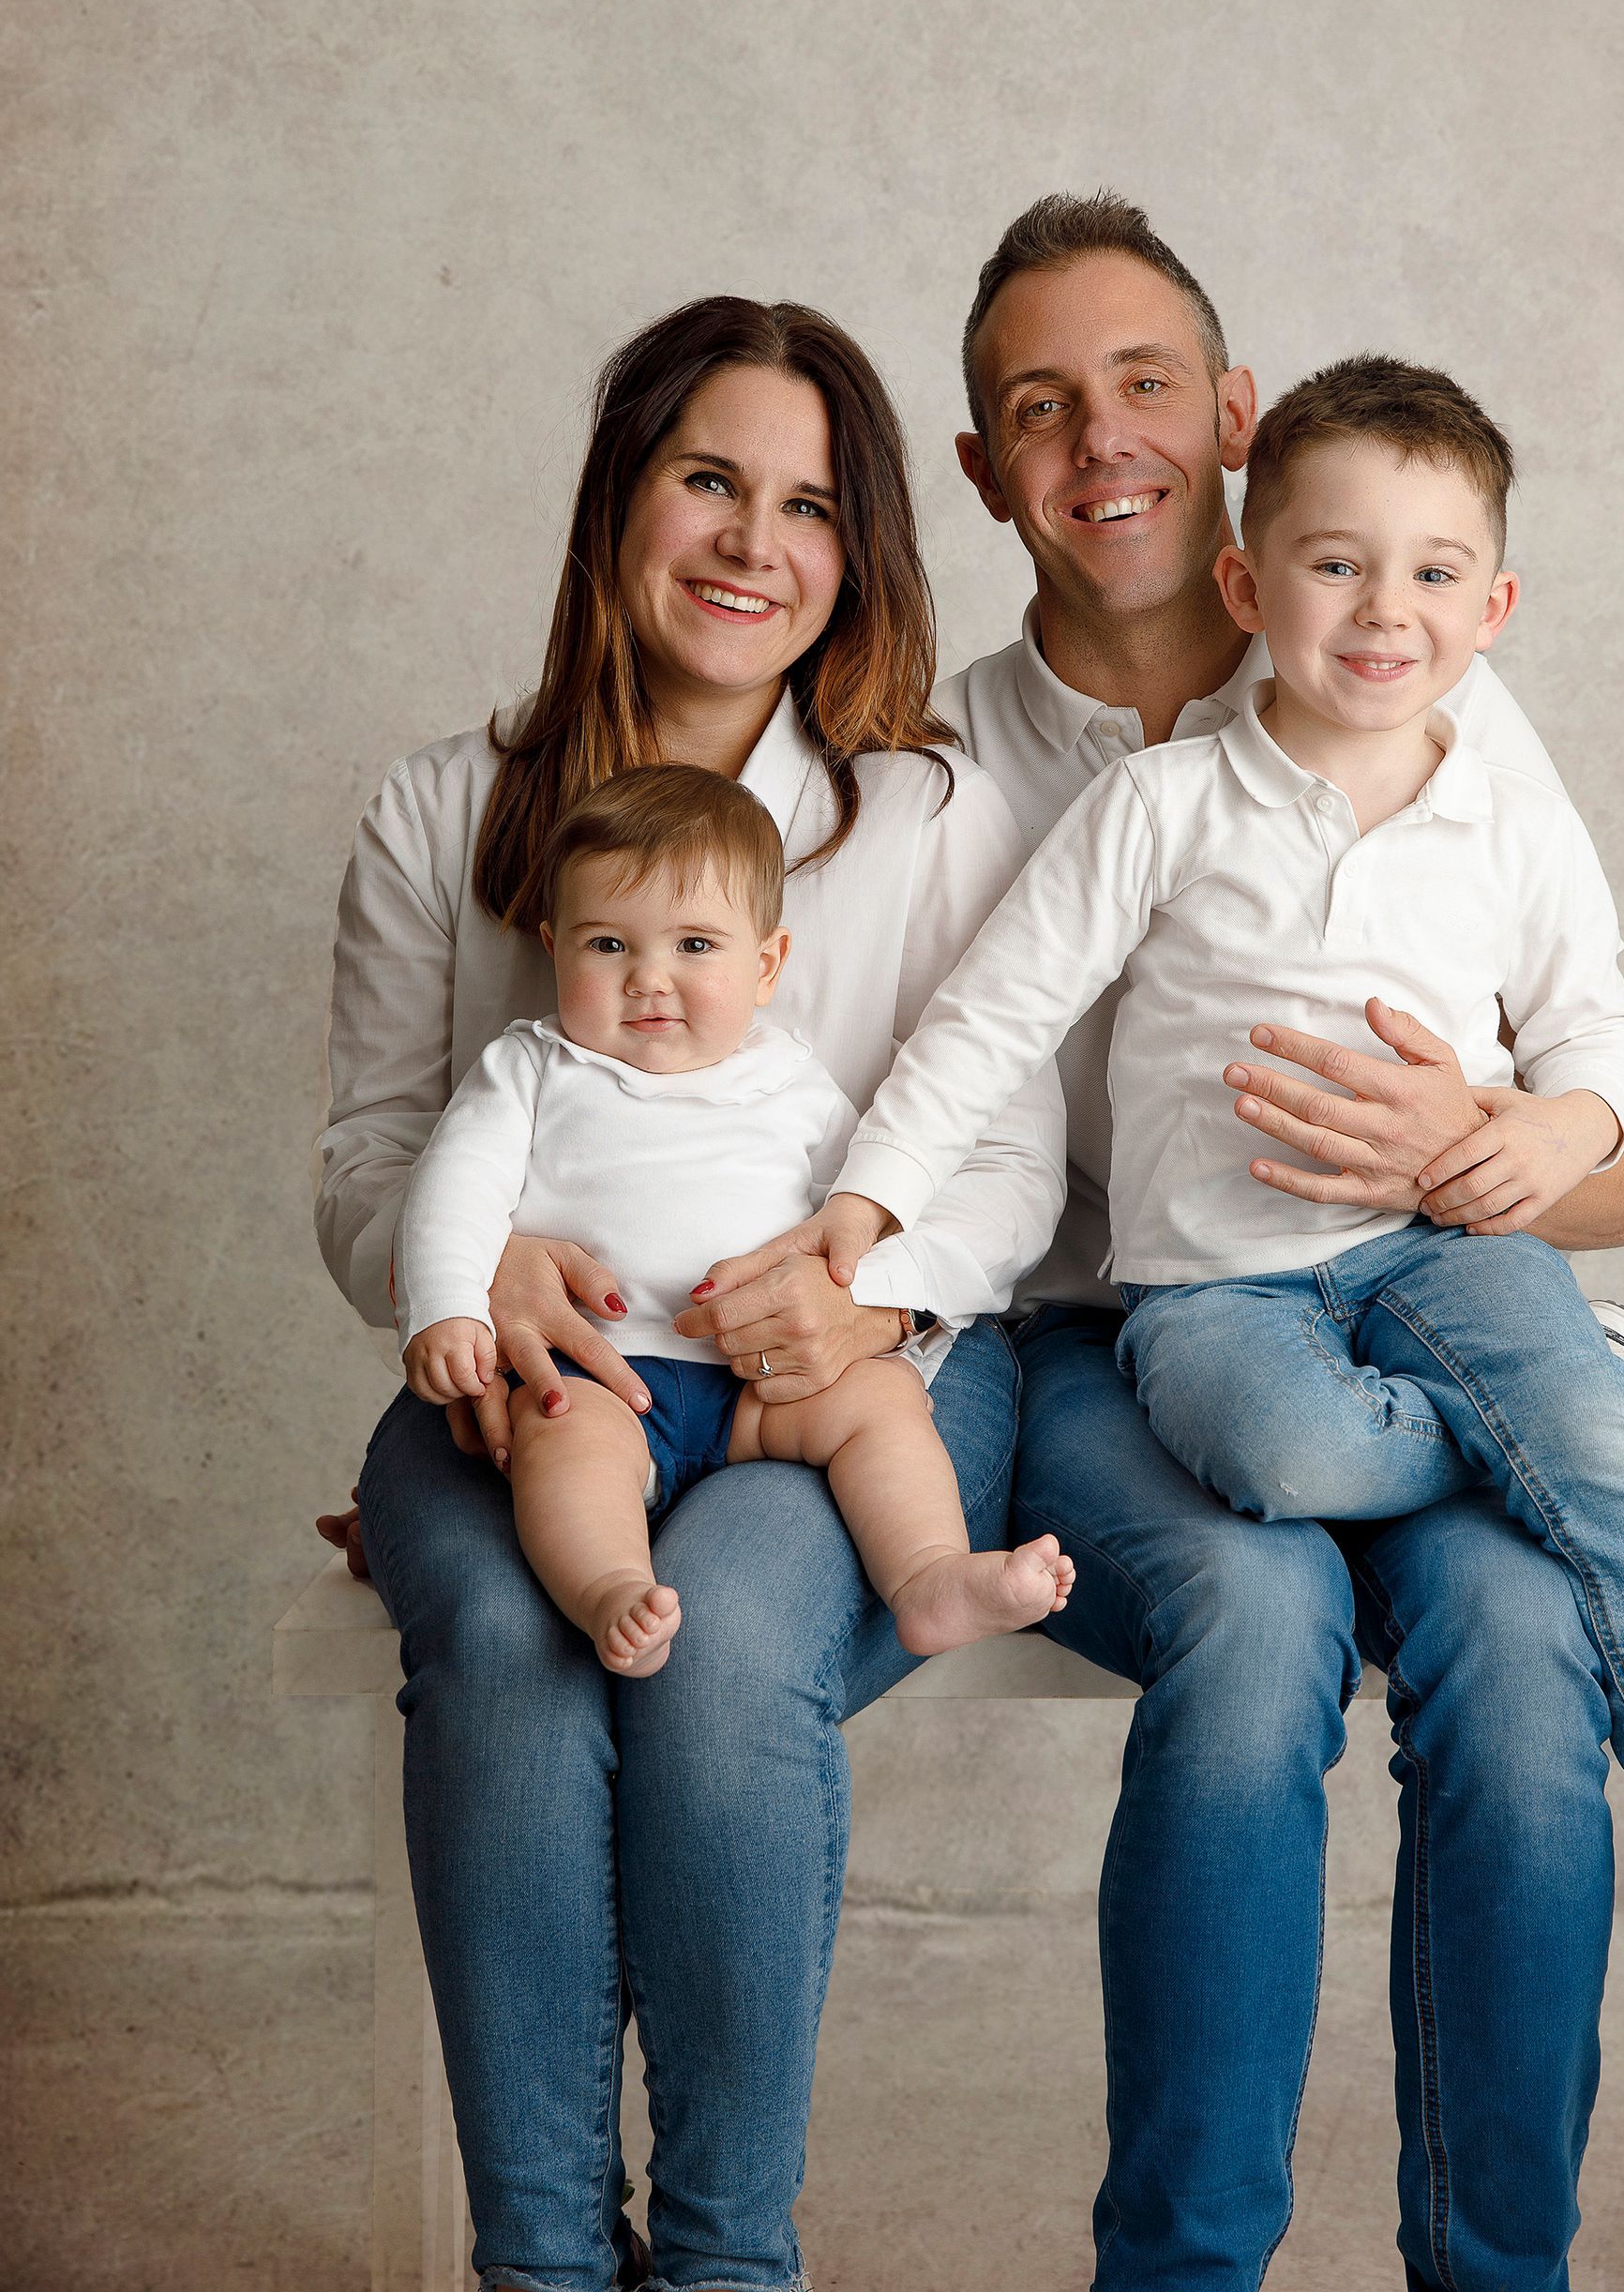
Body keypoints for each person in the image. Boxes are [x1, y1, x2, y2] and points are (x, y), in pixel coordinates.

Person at [708, 191, 1624, 2286]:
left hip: (1429, 1308)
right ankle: (1184, 2265)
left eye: (1137, 385)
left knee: (1515, 1641)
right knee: (1263, 1610)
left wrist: (1480, 1139)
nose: (1094, 435)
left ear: (1229, 416)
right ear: (979, 470)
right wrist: (822, 1253)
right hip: (1117, 1346)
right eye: (1036, 406)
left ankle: (1503, 2261)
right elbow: (911, 1068)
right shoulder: (937, 768)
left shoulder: (1436, 688)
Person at [312, 295, 1064, 2291]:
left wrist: (870, 1297)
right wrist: (477, 1269)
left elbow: (1012, 1165)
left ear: (862, 551)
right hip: (535, 1390)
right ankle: (546, 2260)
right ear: (620, 500)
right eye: (709, 480)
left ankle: (731, 2260)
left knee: (727, 1654)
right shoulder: (433, 808)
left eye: (810, 506)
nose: (754, 543)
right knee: (502, 1639)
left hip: (858, 1379)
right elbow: (368, 1166)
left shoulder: (925, 812)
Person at [397, 763, 1074, 1673]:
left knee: (882, 1400)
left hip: (760, 1380)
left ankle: (929, 1578)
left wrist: (867, 1290)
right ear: (554, 948)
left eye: (695, 947)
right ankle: (610, 1592)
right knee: (557, 1439)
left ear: (765, 966)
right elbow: (453, 1190)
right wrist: (447, 1307)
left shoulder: (789, 1076)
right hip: (605, 1377)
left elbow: (866, 1197)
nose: (650, 980)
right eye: (607, 947)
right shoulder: (532, 1069)